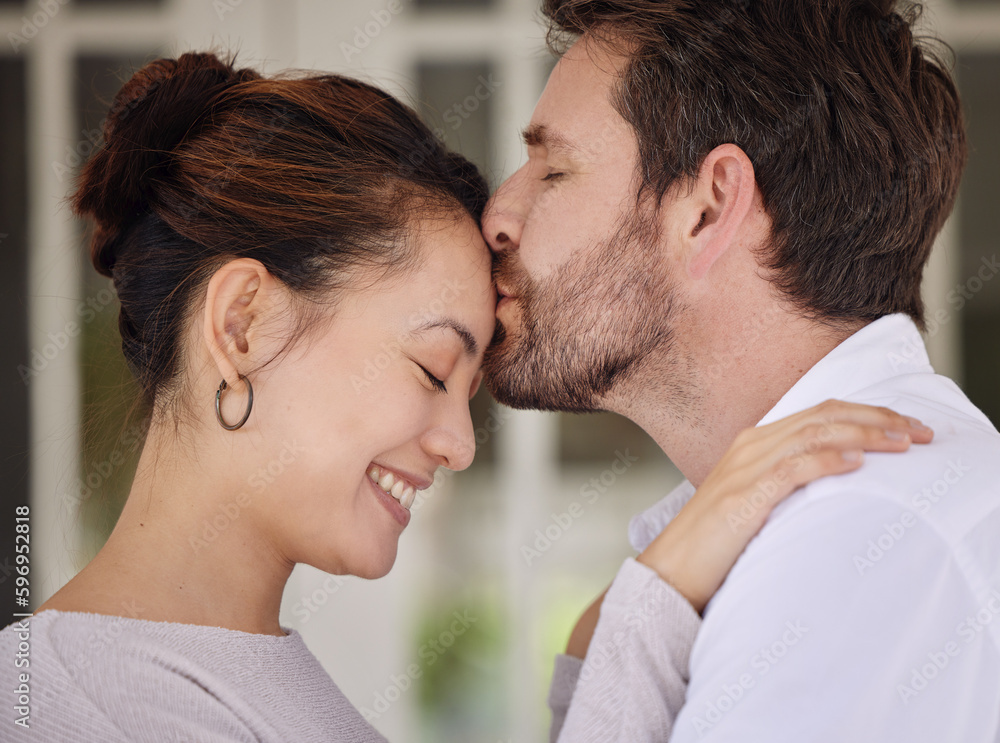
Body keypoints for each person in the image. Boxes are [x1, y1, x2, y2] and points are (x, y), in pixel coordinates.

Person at [0, 51, 932, 743]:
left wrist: (589, 667)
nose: (458, 443)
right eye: (431, 369)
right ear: (243, 323)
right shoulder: (70, 708)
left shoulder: (222, 674)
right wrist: (649, 613)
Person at [480, 0, 1000, 741]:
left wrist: (637, 621)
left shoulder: (858, 538)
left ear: (710, 206)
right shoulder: (825, 518)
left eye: (553, 169)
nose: (498, 214)